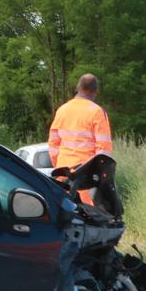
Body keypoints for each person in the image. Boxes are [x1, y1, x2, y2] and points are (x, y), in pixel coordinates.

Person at [48, 74, 113, 205]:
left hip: (63, 176)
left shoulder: (62, 110)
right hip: (86, 179)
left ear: (78, 88)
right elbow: (103, 149)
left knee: (66, 215)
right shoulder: (97, 112)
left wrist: (59, 166)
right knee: (89, 219)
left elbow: (53, 144)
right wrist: (101, 177)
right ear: (96, 91)